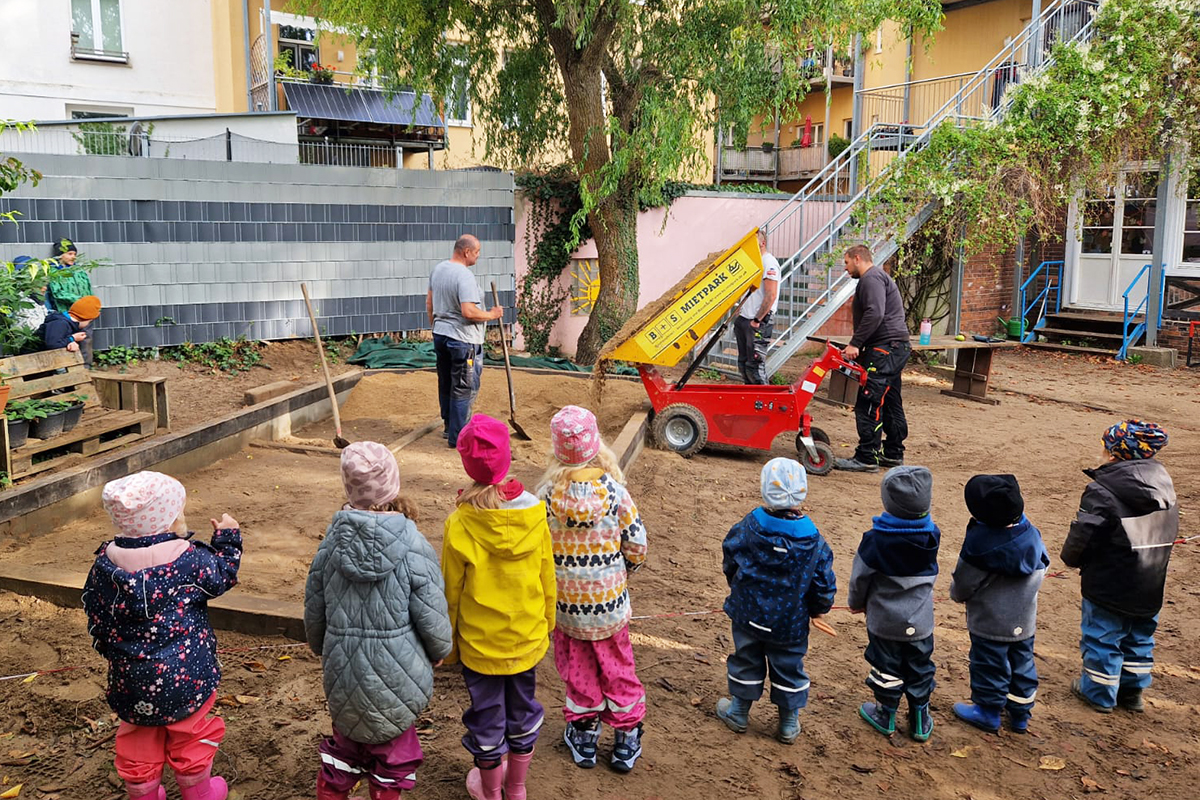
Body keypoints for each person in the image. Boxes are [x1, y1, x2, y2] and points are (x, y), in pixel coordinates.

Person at [305, 442, 453, 800]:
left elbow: (315, 606)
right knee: (393, 753)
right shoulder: (414, 545)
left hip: (344, 668)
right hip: (398, 671)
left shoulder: (331, 545)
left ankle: (332, 790)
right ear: (393, 486)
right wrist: (440, 648)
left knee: (345, 745)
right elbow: (431, 608)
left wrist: (320, 644)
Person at [82, 472, 242, 800]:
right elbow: (223, 575)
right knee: (190, 734)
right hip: (187, 677)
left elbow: (95, 609)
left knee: (137, 738)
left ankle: (144, 794)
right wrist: (228, 538)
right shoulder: (187, 559)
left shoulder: (104, 563)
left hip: (130, 677)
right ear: (169, 518)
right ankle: (199, 793)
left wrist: (110, 647)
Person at [441, 414, 556, 800]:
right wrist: (547, 624)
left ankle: (492, 792)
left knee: (487, 718)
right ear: (507, 459)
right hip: (526, 639)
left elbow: (449, 593)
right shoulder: (535, 514)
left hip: (480, 646)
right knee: (524, 710)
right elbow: (546, 576)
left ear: (466, 464)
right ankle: (517, 787)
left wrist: (450, 647)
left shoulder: (459, 523)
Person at [537, 406, 648, 772]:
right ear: (595, 444)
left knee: (579, 668)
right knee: (618, 667)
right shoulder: (615, 492)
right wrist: (621, 572)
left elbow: (539, 549)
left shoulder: (546, 497)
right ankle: (626, 736)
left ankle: (584, 733)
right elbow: (637, 545)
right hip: (610, 607)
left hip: (567, 608)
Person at [715, 458, 835, 745]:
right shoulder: (814, 540)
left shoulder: (749, 525)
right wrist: (820, 608)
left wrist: (736, 584)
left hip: (748, 614)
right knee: (789, 666)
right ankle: (788, 723)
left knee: (746, 659)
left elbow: (730, 555)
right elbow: (823, 581)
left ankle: (739, 711)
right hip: (789, 623)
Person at [1061, 420, 1178, 714]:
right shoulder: (1164, 484)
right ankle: (1132, 690)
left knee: (1102, 635)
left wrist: (1071, 558)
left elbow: (1084, 534)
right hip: (1150, 579)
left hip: (1108, 582)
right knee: (1140, 636)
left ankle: (1098, 691)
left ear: (1113, 452)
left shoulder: (1101, 490)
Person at [949, 475, 1048, 734]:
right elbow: (1043, 564)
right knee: (1022, 665)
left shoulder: (978, 544)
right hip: (1023, 621)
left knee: (989, 665)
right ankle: (1020, 716)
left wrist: (957, 595)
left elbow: (964, 582)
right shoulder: (1030, 532)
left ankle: (988, 712)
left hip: (990, 623)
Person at [848, 465, 939, 742]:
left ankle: (885, 713)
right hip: (921, 622)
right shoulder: (931, 534)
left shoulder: (875, 540)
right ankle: (920, 719)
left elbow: (860, 578)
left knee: (886, 667)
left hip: (885, 622)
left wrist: (856, 602)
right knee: (920, 666)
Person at [833, 244, 911, 473]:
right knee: (891, 400)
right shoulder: (878, 277)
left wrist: (855, 343)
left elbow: (875, 312)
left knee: (869, 401)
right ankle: (894, 452)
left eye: (846, 263)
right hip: (895, 347)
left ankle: (866, 457)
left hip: (885, 349)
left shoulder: (871, 279)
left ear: (858, 258)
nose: (846, 269)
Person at [427, 235, 503, 448]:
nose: (478, 255)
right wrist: (492, 314)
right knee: (463, 386)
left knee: (446, 381)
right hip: (463, 340)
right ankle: (458, 438)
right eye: (477, 251)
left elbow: (429, 303)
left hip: (441, 335)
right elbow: (468, 311)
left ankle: (449, 426)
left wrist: (436, 328)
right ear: (466, 252)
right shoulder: (464, 276)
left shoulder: (439, 270)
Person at [734, 229, 780, 384]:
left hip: (757, 322)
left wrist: (757, 320)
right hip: (746, 319)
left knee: (755, 366)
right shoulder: (755, 262)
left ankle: (764, 401)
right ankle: (750, 401)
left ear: (763, 243)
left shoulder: (769, 263)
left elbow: (771, 295)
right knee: (743, 364)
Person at [47, 238, 96, 365]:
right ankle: (70, 370)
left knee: (86, 340)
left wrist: (93, 305)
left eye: (74, 254)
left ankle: (87, 368)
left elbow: (88, 289)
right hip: (67, 314)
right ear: (60, 255)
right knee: (68, 343)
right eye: (69, 254)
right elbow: (57, 293)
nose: (73, 257)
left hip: (85, 314)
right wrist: (80, 301)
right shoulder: (55, 272)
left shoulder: (79, 271)